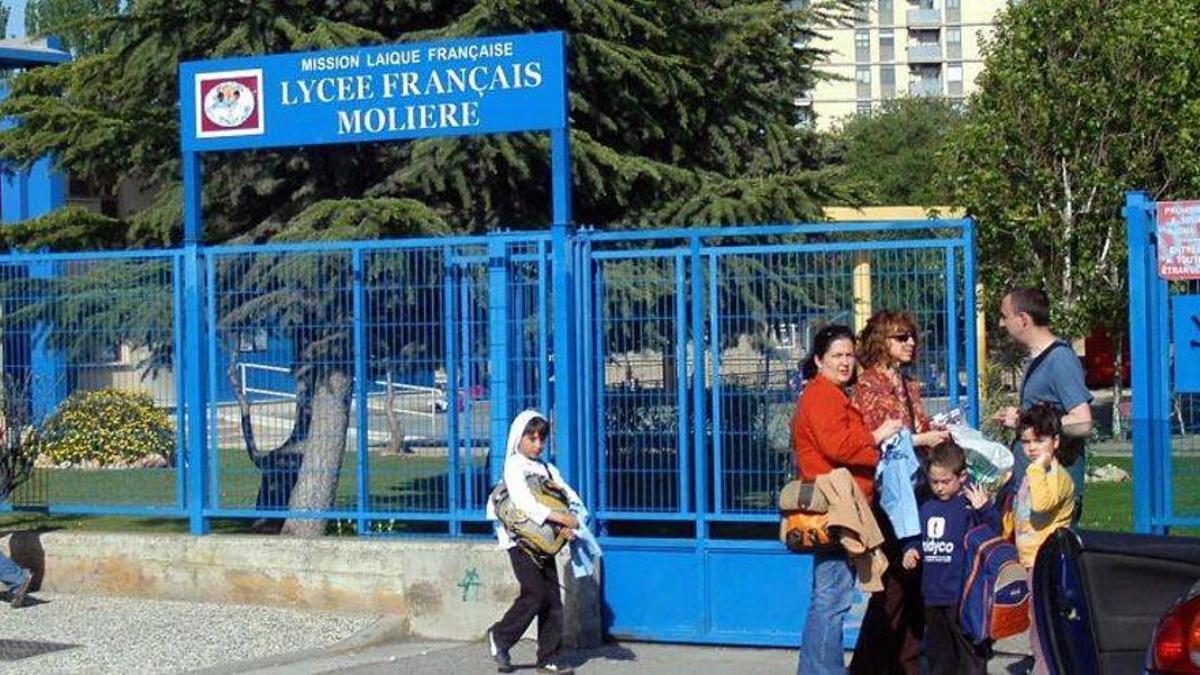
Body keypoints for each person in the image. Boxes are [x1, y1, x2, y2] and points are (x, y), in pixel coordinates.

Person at [792, 324, 903, 675]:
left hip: (838, 505)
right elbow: (837, 446)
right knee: (833, 599)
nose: (845, 362)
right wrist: (877, 436)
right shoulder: (822, 395)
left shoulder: (832, 394)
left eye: (849, 355)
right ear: (818, 360)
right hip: (836, 507)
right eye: (837, 355)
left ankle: (814, 670)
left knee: (827, 597)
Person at [850, 310, 951, 675]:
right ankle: (869, 665)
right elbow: (878, 439)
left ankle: (905, 663)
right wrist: (922, 438)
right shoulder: (869, 386)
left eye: (912, 336)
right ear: (881, 341)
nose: (910, 343)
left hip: (916, 491)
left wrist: (935, 430)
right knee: (892, 586)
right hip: (889, 499)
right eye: (900, 337)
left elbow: (914, 428)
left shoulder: (907, 384)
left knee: (912, 585)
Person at [485, 410, 580, 675]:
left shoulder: (547, 468)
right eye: (532, 438)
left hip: (544, 542)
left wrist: (570, 523)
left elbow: (569, 497)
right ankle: (500, 637)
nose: (537, 445)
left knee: (552, 599)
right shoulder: (514, 465)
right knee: (535, 592)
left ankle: (548, 658)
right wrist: (559, 517)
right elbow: (525, 503)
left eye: (541, 439)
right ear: (519, 438)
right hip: (519, 541)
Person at [994, 287, 1092, 519]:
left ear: (1023, 319)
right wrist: (1021, 419)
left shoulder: (1060, 360)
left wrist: (1025, 421)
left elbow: (1083, 421)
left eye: (1004, 316)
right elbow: (1043, 414)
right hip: (1033, 489)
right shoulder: (1037, 358)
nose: (1001, 324)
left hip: (1051, 494)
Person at [902, 441, 999, 675]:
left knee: (969, 651)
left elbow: (992, 535)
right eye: (934, 482)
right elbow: (916, 535)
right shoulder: (926, 504)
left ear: (962, 476)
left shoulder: (968, 504)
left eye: (946, 482)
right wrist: (912, 549)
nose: (940, 488)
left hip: (962, 593)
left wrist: (983, 508)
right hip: (933, 593)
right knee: (939, 652)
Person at [1013, 403, 1076, 675]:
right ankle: (1042, 664)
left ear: (1056, 441)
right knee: (1035, 621)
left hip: (1046, 561)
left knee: (1044, 624)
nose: (1031, 448)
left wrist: (1036, 470)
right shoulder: (1034, 474)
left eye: (1039, 441)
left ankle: (1045, 668)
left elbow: (1041, 505)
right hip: (1030, 560)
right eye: (1026, 442)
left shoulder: (1056, 476)